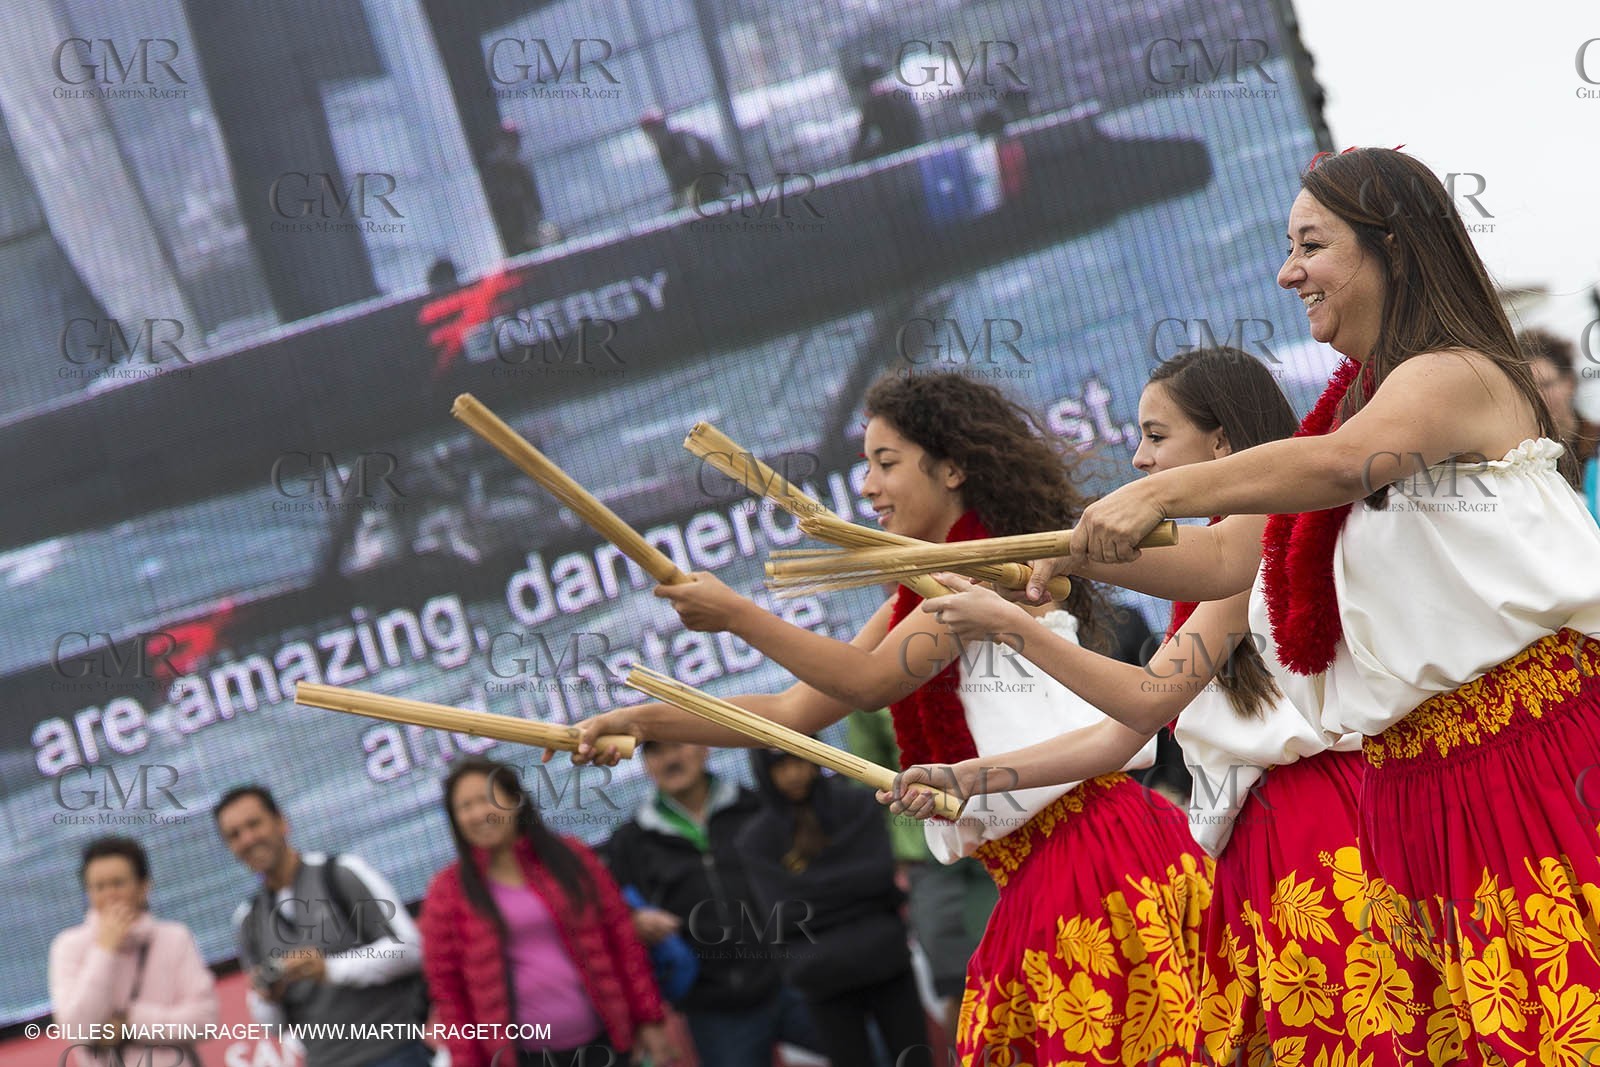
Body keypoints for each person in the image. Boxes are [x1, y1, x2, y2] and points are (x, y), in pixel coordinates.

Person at [1047, 147, 1600, 1065]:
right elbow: (1230, 554)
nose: (1286, 270)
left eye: (1312, 244)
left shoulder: (1453, 373)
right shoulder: (1354, 409)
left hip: (1529, 757)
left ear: (1392, 248)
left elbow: (1350, 465)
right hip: (1416, 791)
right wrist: (1072, 563)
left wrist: (1157, 498)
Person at [567, 371, 1208, 1067]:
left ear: (953, 468)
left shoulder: (992, 570)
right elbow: (793, 710)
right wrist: (644, 719)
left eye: (886, 463)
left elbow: (869, 682)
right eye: (864, 465)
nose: (867, 487)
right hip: (1037, 866)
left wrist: (738, 615)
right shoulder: (921, 595)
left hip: (1092, 851)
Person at [889, 347, 1402, 1065]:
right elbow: (1120, 731)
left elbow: (1143, 697)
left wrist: (1016, 617)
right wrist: (964, 776)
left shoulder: (1267, 531)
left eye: (1156, 437)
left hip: (1315, 828)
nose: (1137, 460)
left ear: (1222, 444)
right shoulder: (1232, 554)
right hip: (1255, 844)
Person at [418, 758, 676, 1067]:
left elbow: (622, 941)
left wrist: (649, 1018)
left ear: (515, 801)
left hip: (606, 1045)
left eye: (488, 799)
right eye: (465, 806)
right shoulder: (447, 892)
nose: (478, 814)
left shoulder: (570, 857)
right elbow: (449, 993)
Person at [601, 740, 820, 1067]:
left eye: (678, 745)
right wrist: (634, 920)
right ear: (645, 765)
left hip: (797, 983)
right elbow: (608, 915)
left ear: (705, 747)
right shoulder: (629, 841)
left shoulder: (757, 807)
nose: (670, 758)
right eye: (655, 751)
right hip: (713, 1010)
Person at [214, 785, 429, 1067]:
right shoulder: (247, 920)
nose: (248, 839)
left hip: (394, 1052)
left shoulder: (341, 872)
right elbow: (272, 1026)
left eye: (254, 824)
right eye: (234, 835)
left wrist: (330, 969)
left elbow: (411, 950)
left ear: (281, 822)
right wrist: (268, 997)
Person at [739, 749, 927, 1067]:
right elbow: (783, 912)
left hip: (885, 960)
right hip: (820, 977)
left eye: (798, 760)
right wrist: (852, 887)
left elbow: (880, 876)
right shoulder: (755, 838)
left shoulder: (857, 803)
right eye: (780, 766)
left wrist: (809, 885)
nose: (793, 774)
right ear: (763, 772)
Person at [846, 706, 993, 1044]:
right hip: (928, 854)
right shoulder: (868, 672)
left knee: (1030, 968)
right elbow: (866, 775)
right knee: (962, 985)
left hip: (1001, 828)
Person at [49, 836, 218, 1067]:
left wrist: (132, 1024)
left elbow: (205, 1021)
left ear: (143, 887)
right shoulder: (68, 946)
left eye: (118, 883)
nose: (109, 895)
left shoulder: (174, 937)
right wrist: (104, 950)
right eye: (99, 887)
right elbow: (77, 1031)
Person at [638, 109, 730, 211]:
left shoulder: (682, 139)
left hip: (717, 180)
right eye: (650, 131)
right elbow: (678, 184)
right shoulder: (664, 151)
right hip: (704, 187)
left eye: (658, 129)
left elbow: (700, 164)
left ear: (664, 127)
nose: (655, 134)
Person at [481, 122, 545, 256]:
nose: (512, 147)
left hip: (525, 240)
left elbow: (534, 205)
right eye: (507, 142)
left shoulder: (521, 171)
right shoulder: (488, 174)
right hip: (500, 242)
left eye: (515, 142)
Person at [848, 59, 925, 164]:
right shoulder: (901, 91)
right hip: (918, 144)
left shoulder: (873, 101)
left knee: (863, 158)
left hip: (896, 151)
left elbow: (863, 137)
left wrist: (853, 159)